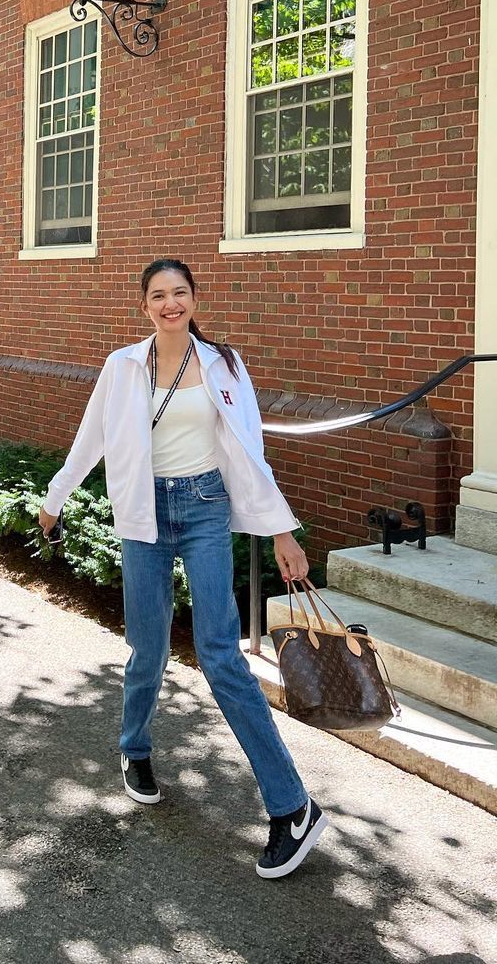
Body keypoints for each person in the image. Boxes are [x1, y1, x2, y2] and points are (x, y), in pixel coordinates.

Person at [38, 257, 328, 879]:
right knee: (146, 649)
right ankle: (134, 749)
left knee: (220, 653)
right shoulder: (121, 368)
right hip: (144, 513)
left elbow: (250, 449)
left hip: (203, 509)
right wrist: (55, 497)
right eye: (158, 295)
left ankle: (292, 806)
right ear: (144, 306)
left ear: (195, 299)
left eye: (180, 293)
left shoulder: (224, 365)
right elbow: (91, 439)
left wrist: (282, 532)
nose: (170, 304)